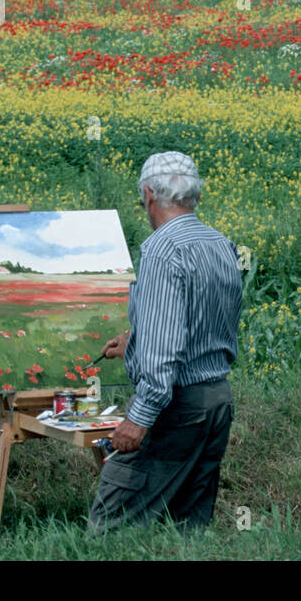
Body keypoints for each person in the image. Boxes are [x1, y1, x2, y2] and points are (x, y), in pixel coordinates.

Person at [87, 151, 243, 535]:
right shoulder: (221, 244)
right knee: (187, 531)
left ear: (147, 195)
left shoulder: (161, 249)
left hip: (177, 406)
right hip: (216, 402)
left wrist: (138, 418)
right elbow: (202, 325)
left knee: (109, 529)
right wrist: (137, 343)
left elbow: (167, 353)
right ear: (195, 197)